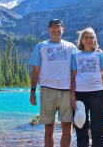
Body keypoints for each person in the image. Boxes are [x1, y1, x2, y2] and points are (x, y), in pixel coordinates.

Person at [29, 19, 77, 147]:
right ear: (49, 30)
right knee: (49, 127)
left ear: (63, 29)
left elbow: (78, 68)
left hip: (66, 91)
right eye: (53, 27)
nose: (55, 30)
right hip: (47, 90)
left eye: (58, 27)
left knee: (67, 126)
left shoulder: (71, 47)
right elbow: (35, 70)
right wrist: (33, 91)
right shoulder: (41, 46)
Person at [71, 27, 103, 147]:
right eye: (86, 37)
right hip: (80, 95)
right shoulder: (76, 56)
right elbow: (72, 78)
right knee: (81, 127)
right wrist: (73, 97)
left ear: (95, 40)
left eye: (91, 37)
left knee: (97, 128)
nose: (89, 40)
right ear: (82, 40)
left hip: (97, 95)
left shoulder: (100, 55)